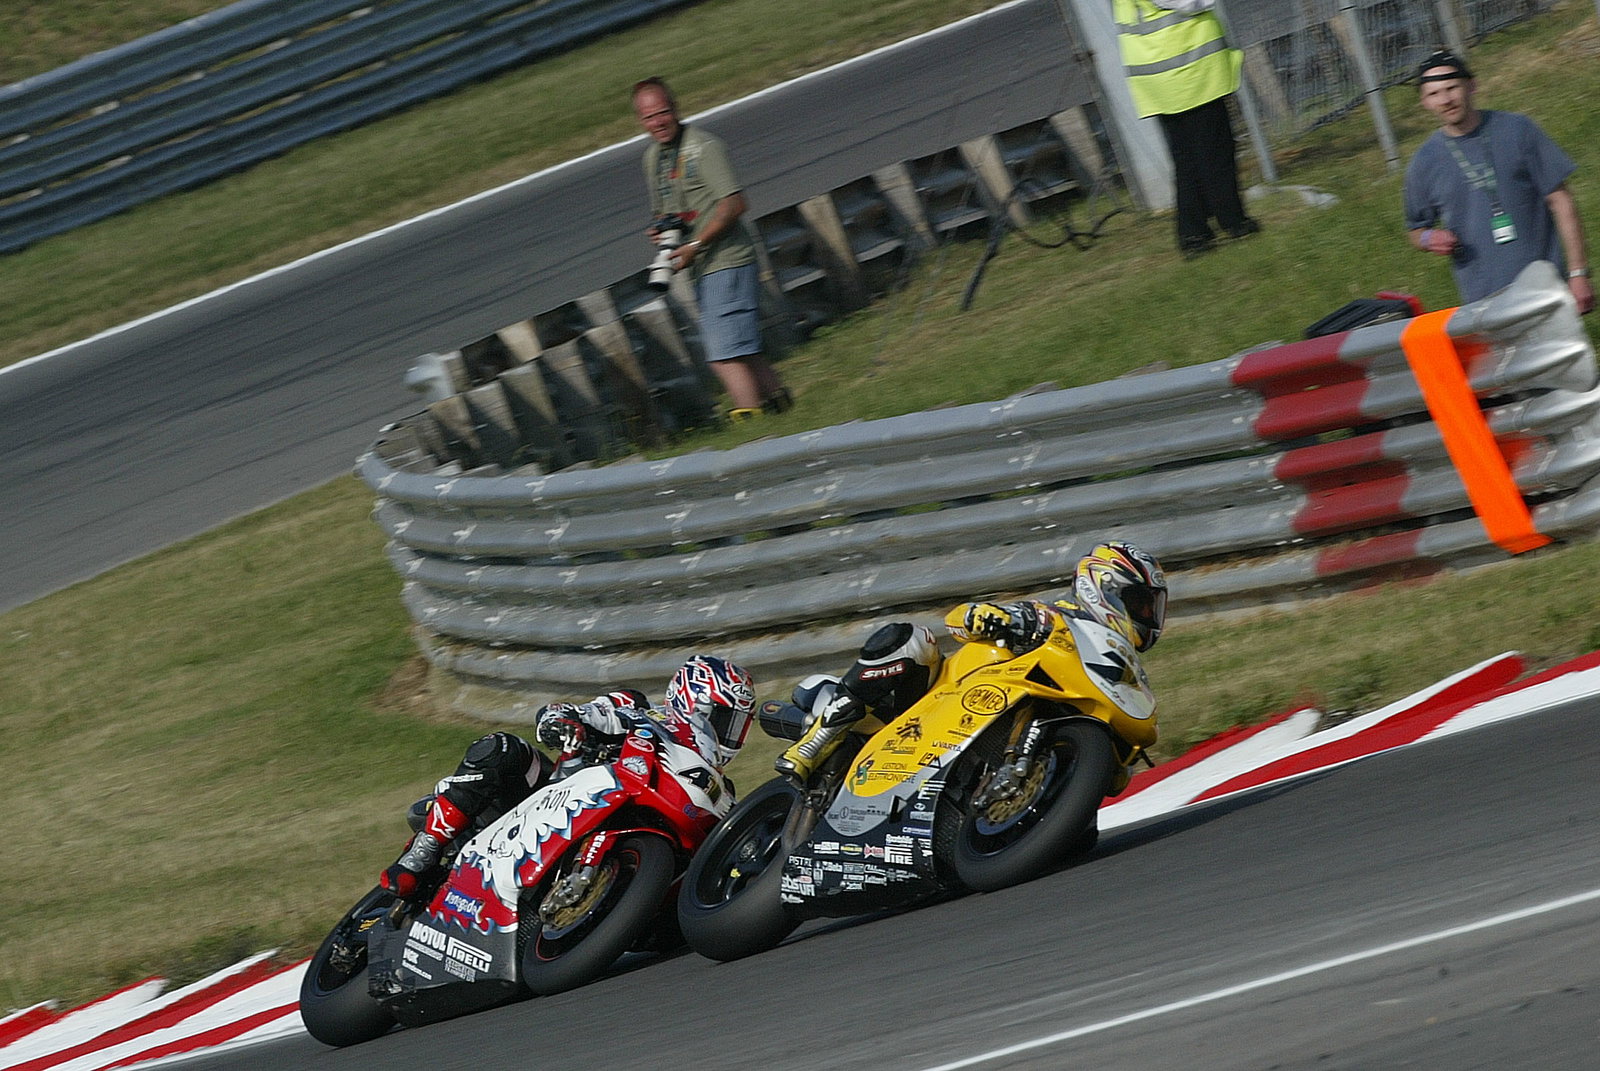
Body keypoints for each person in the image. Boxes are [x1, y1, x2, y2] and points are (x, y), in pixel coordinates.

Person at [776, 541, 1167, 781]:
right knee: (913, 641)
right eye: (1140, 604)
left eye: (1152, 608)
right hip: (932, 702)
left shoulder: (1121, 664)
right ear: (1101, 587)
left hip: (1001, 724)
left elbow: (1116, 781)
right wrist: (986, 616)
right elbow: (961, 617)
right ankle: (817, 741)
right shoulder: (1050, 616)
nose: (1147, 616)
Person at [381, 655, 756, 900]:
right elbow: (572, 710)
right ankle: (424, 850)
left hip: (639, 823)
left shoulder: (720, 788)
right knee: (504, 748)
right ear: (693, 697)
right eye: (725, 718)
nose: (731, 733)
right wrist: (563, 723)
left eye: (739, 725)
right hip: (549, 798)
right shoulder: (636, 708)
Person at [631, 76, 792, 421]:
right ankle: (785, 413)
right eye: (649, 117)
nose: (658, 122)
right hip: (703, 265)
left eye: (663, 113)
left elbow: (735, 204)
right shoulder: (653, 159)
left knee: (723, 356)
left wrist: (695, 244)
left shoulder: (704, 147)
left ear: (675, 109)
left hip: (727, 259)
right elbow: (666, 211)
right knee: (742, 350)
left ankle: (753, 430)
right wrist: (661, 231)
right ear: (640, 121)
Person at [1403, 50, 1593, 315]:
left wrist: (1578, 273)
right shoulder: (1424, 162)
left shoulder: (1517, 130)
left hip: (1548, 291)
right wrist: (1427, 238)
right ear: (1425, 102)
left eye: (1452, 88)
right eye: (1434, 94)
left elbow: (1561, 201)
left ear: (1472, 86)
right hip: (1484, 308)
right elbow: (1415, 229)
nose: (1445, 100)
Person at [1113, 0, 1260, 259]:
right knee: (1215, 152)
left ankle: (1194, 233)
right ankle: (1232, 221)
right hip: (1189, 69)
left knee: (1187, 159)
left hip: (1162, 73)